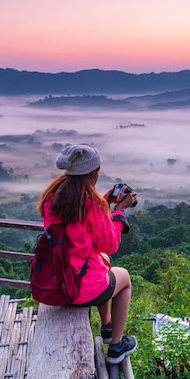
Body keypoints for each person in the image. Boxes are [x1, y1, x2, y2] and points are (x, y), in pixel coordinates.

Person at [37, 144, 138, 364]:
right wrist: (119, 212)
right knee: (125, 278)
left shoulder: (53, 198)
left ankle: (107, 325)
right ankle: (117, 346)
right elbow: (110, 243)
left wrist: (103, 202)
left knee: (104, 260)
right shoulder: (92, 205)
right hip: (78, 290)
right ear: (93, 172)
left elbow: (77, 224)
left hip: (58, 280)